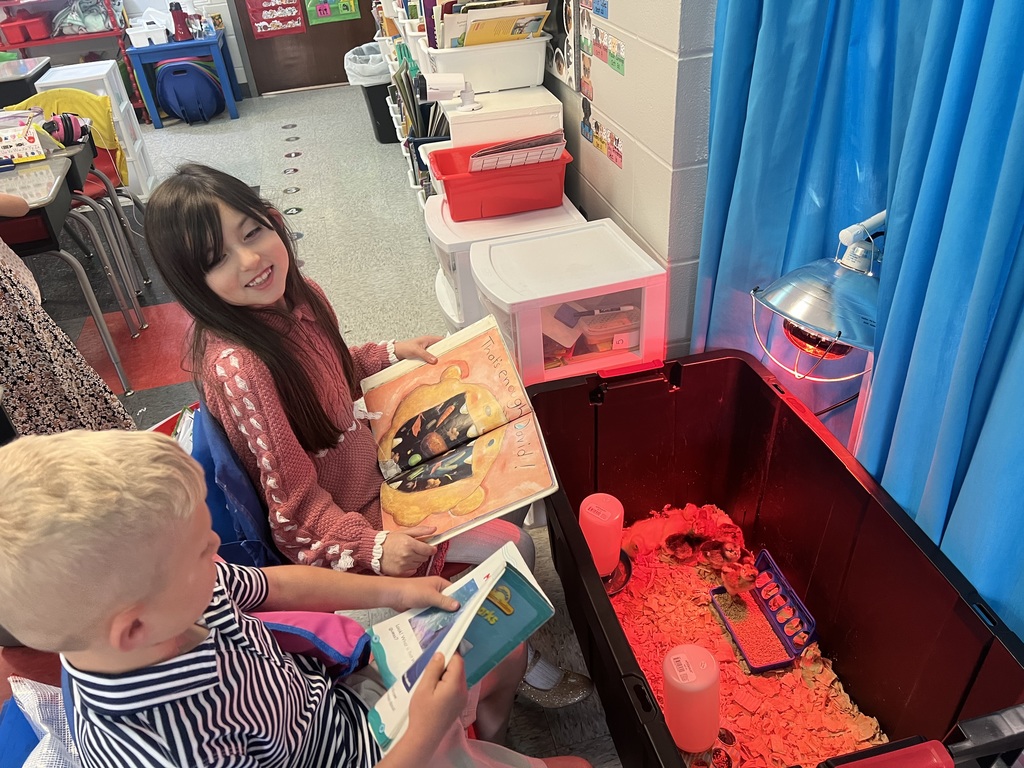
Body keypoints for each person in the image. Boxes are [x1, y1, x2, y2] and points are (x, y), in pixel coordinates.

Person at [144, 164, 592, 708]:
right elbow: (295, 518)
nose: (251, 260)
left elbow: (331, 370)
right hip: (353, 518)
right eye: (217, 259)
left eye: (252, 231)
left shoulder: (300, 293)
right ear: (194, 283)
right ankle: (502, 665)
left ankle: (496, 638)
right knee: (513, 542)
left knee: (514, 458)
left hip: (376, 467)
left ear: (271, 218)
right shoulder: (241, 368)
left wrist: (386, 353)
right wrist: (374, 549)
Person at [0, 429, 590, 768]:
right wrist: (423, 736)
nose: (216, 545)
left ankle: (481, 739)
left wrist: (397, 589)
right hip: (373, 753)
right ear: (133, 629)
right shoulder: (162, 750)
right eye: (199, 551)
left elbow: (278, 584)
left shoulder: (173, 599)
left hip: (341, 702)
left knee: (499, 648)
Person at [0, 192, 135, 435]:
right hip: (11, 315)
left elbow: (19, 207)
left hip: (13, 310)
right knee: (40, 380)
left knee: (43, 377)